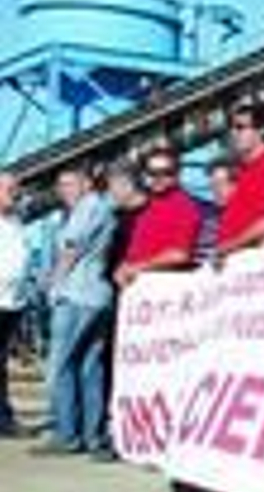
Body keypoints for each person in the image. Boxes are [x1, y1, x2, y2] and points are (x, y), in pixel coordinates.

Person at [33, 165, 117, 459]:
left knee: (60, 366)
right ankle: (91, 435)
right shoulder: (102, 207)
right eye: (60, 186)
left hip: (77, 295)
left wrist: (53, 285)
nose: (63, 191)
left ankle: (67, 434)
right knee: (88, 368)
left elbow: (71, 247)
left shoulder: (88, 207)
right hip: (97, 296)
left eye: (69, 184)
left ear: (85, 184)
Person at [113, 147, 203, 289]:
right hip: (141, 290)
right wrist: (124, 267)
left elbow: (180, 254)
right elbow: (137, 251)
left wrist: (137, 267)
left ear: (177, 175)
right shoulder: (149, 206)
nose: (158, 178)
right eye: (152, 173)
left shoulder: (184, 206)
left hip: (165, 290)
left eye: (166, 173)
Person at [213, 100, 264, 261]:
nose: (233, 133)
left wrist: (227, 248)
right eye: (231, 127)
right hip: (236, 265)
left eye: (240, 127)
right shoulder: (244, 172)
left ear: (262, 131)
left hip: (255, 264)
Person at [0, 170, 28, 436]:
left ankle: (3, 418)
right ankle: (4, 419)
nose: (15, 193)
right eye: (9, 189)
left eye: (15, 189)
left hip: (13, 303)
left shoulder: (16, 221)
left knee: (2, 363)